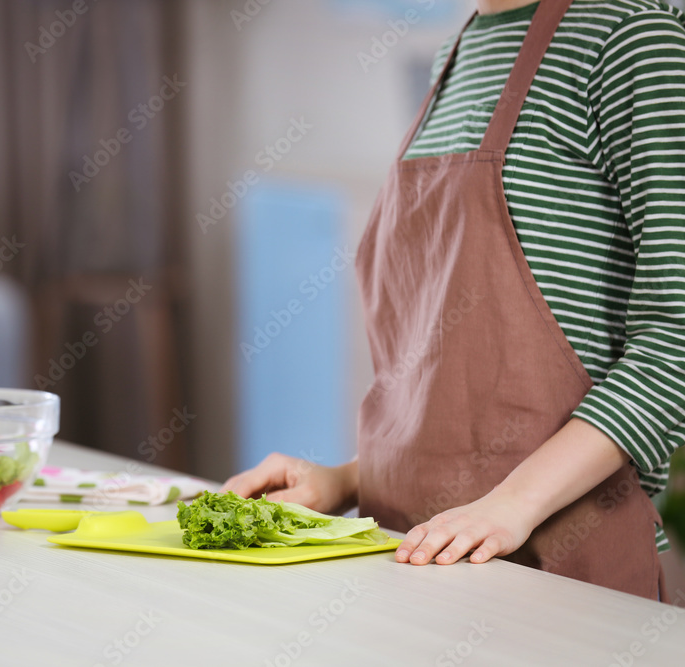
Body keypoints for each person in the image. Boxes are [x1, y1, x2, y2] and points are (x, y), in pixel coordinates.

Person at [222, 0, 685, 600]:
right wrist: (342, 480)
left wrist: (511, 506)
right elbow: (467, 393)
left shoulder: (630, 40)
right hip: (410, 552)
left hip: (559, 568)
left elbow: (674, 341)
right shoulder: (457, 49)